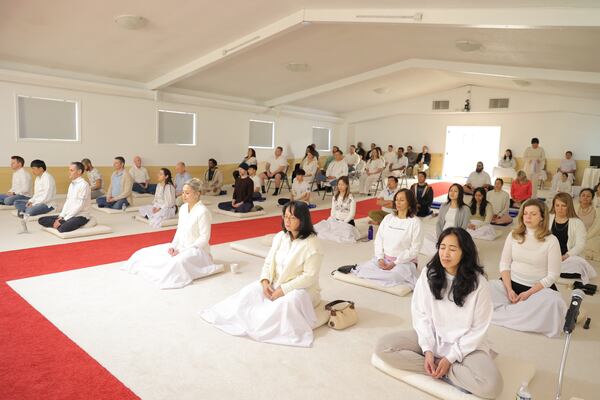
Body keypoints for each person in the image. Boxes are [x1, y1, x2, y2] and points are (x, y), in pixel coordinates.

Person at [375, 227, 502, 399]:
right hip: (434, 336)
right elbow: (420, 314)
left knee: (491, 387)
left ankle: (444, 369)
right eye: (442, 247)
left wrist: (450, 358)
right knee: (383, 347)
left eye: (452, 249)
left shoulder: (479, 283)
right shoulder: (429, 273)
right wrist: (427, 349)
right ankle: (442, 370)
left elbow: (478, 329)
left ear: (465, 252)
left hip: (466, 345)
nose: (445, 254)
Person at [201, 201, 323, 347]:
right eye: (285, 217)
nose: (287, 221)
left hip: (301, 290)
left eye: (292, 218)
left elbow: (309, 277)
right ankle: (246, 320)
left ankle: (258, 325)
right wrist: (265, 281)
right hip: (275, 282)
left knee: (286, 304)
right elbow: (268, 262)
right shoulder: (280, 237)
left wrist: (283, 290)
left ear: (302, 220)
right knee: (249, 292)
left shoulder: (312, 244)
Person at [123, 178, 222, 289]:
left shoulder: (203, 211)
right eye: (183, 192)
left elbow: (204, 238)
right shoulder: (183, 208)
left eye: (187, 193)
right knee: (147, 253)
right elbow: (179, 230)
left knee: (175, 264)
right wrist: (173, 246)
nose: (183, 195)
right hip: (180, 247)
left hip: (198, 251)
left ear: (197, 194)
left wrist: (182, 250)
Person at [489, 199, 567, 337]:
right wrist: (509, 289)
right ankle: (520, 312)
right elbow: (505, 265)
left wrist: (529, 293)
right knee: (483, 288)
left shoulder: (552, 240)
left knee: (554, 303)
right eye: (525, 213)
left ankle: (514, 311)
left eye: (533, 214)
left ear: (542, 217)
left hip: (537, 290)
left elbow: (553, 275)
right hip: (511, 284)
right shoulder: (513, 234)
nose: (528, 217)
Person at [354, 189, 423, 289]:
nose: (398, 203)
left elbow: (415, 249)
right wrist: (380, 258)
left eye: (402, 200)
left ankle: (383, 274)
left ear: (409, 203)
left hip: (404, 262)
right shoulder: (388, 218)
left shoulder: (415, 222)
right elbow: (379, 240)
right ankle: (380, 273)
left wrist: (395, 263)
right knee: (363, 269)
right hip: (385, 259)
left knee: (392, 276)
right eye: (396, 200)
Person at [549, 193, 595, 284]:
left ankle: (553, 270)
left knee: (578, 266)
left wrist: (565, 256)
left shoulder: (577, 223)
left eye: (563, 206)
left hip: (567, 257)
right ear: (553, 206)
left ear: (569, 206)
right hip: (549, 255)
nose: (560, 209)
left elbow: (580, 245)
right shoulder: (548, 218)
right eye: (557, 205)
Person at [38, 162, 91, 233]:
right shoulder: (72, 184)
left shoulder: (84, 185)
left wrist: (64, 219)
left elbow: (79, 206)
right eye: (69, 170)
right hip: (69, 214)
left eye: (71, 170)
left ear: (79, 171)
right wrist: (61, 216)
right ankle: (58, 223)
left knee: (62, 228)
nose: (69, 172)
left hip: (80, 215)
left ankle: (61, 223)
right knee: (41, 219)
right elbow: (67, 201)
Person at [314, 176, 358, 243]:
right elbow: (333, 210)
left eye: (342, 184)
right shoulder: (335, 197)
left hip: (347, 222)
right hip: (336, 220)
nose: (340, 186)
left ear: (346, 185)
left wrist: (343, 222)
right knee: (321, 229)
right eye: (339, 184)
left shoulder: (351, 198)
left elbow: (352, 214)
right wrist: (333, 219)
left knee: (342, 236)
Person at [577, 188, 600, 261]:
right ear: (580, 197)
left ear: (592, 198)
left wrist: (586, 236)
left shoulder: (596, 211)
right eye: (583, 195)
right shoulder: (574, 208)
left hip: (590, 236)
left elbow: (597, 228)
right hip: (575, 235)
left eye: (588, 196)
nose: (585, 198)